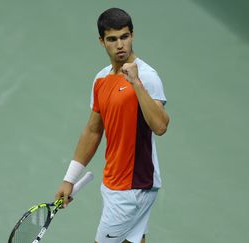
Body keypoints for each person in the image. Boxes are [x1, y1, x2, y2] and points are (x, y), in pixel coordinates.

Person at [54, 7, 170, 243]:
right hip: (115, 182)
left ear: (132, 36)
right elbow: (93, 131)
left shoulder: (147, 76)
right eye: (112, 39)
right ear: (102, 41)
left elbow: (160, 125)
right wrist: (69, 178)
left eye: (125, 37)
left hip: (133, 187)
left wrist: (135, 82)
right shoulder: (101, 79)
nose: (120, 45)